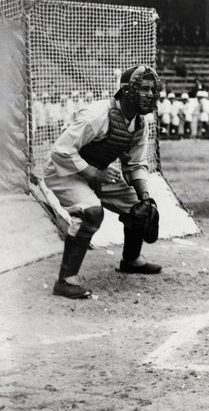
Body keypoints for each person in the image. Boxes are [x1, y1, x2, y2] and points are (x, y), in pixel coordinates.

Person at [44, 65, 163, 299]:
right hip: (64, 171)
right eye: (144, 88)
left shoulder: (140, 123)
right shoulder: (97, 114)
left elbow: (136, 164)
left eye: (153, 89)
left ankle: (131, 260)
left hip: (95, 171)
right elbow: (60, 151)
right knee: (91, 213)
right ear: (127, 91)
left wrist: (145, 197)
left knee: (139, 209)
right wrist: (93, 174)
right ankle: (66, 281)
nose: (150, 94)